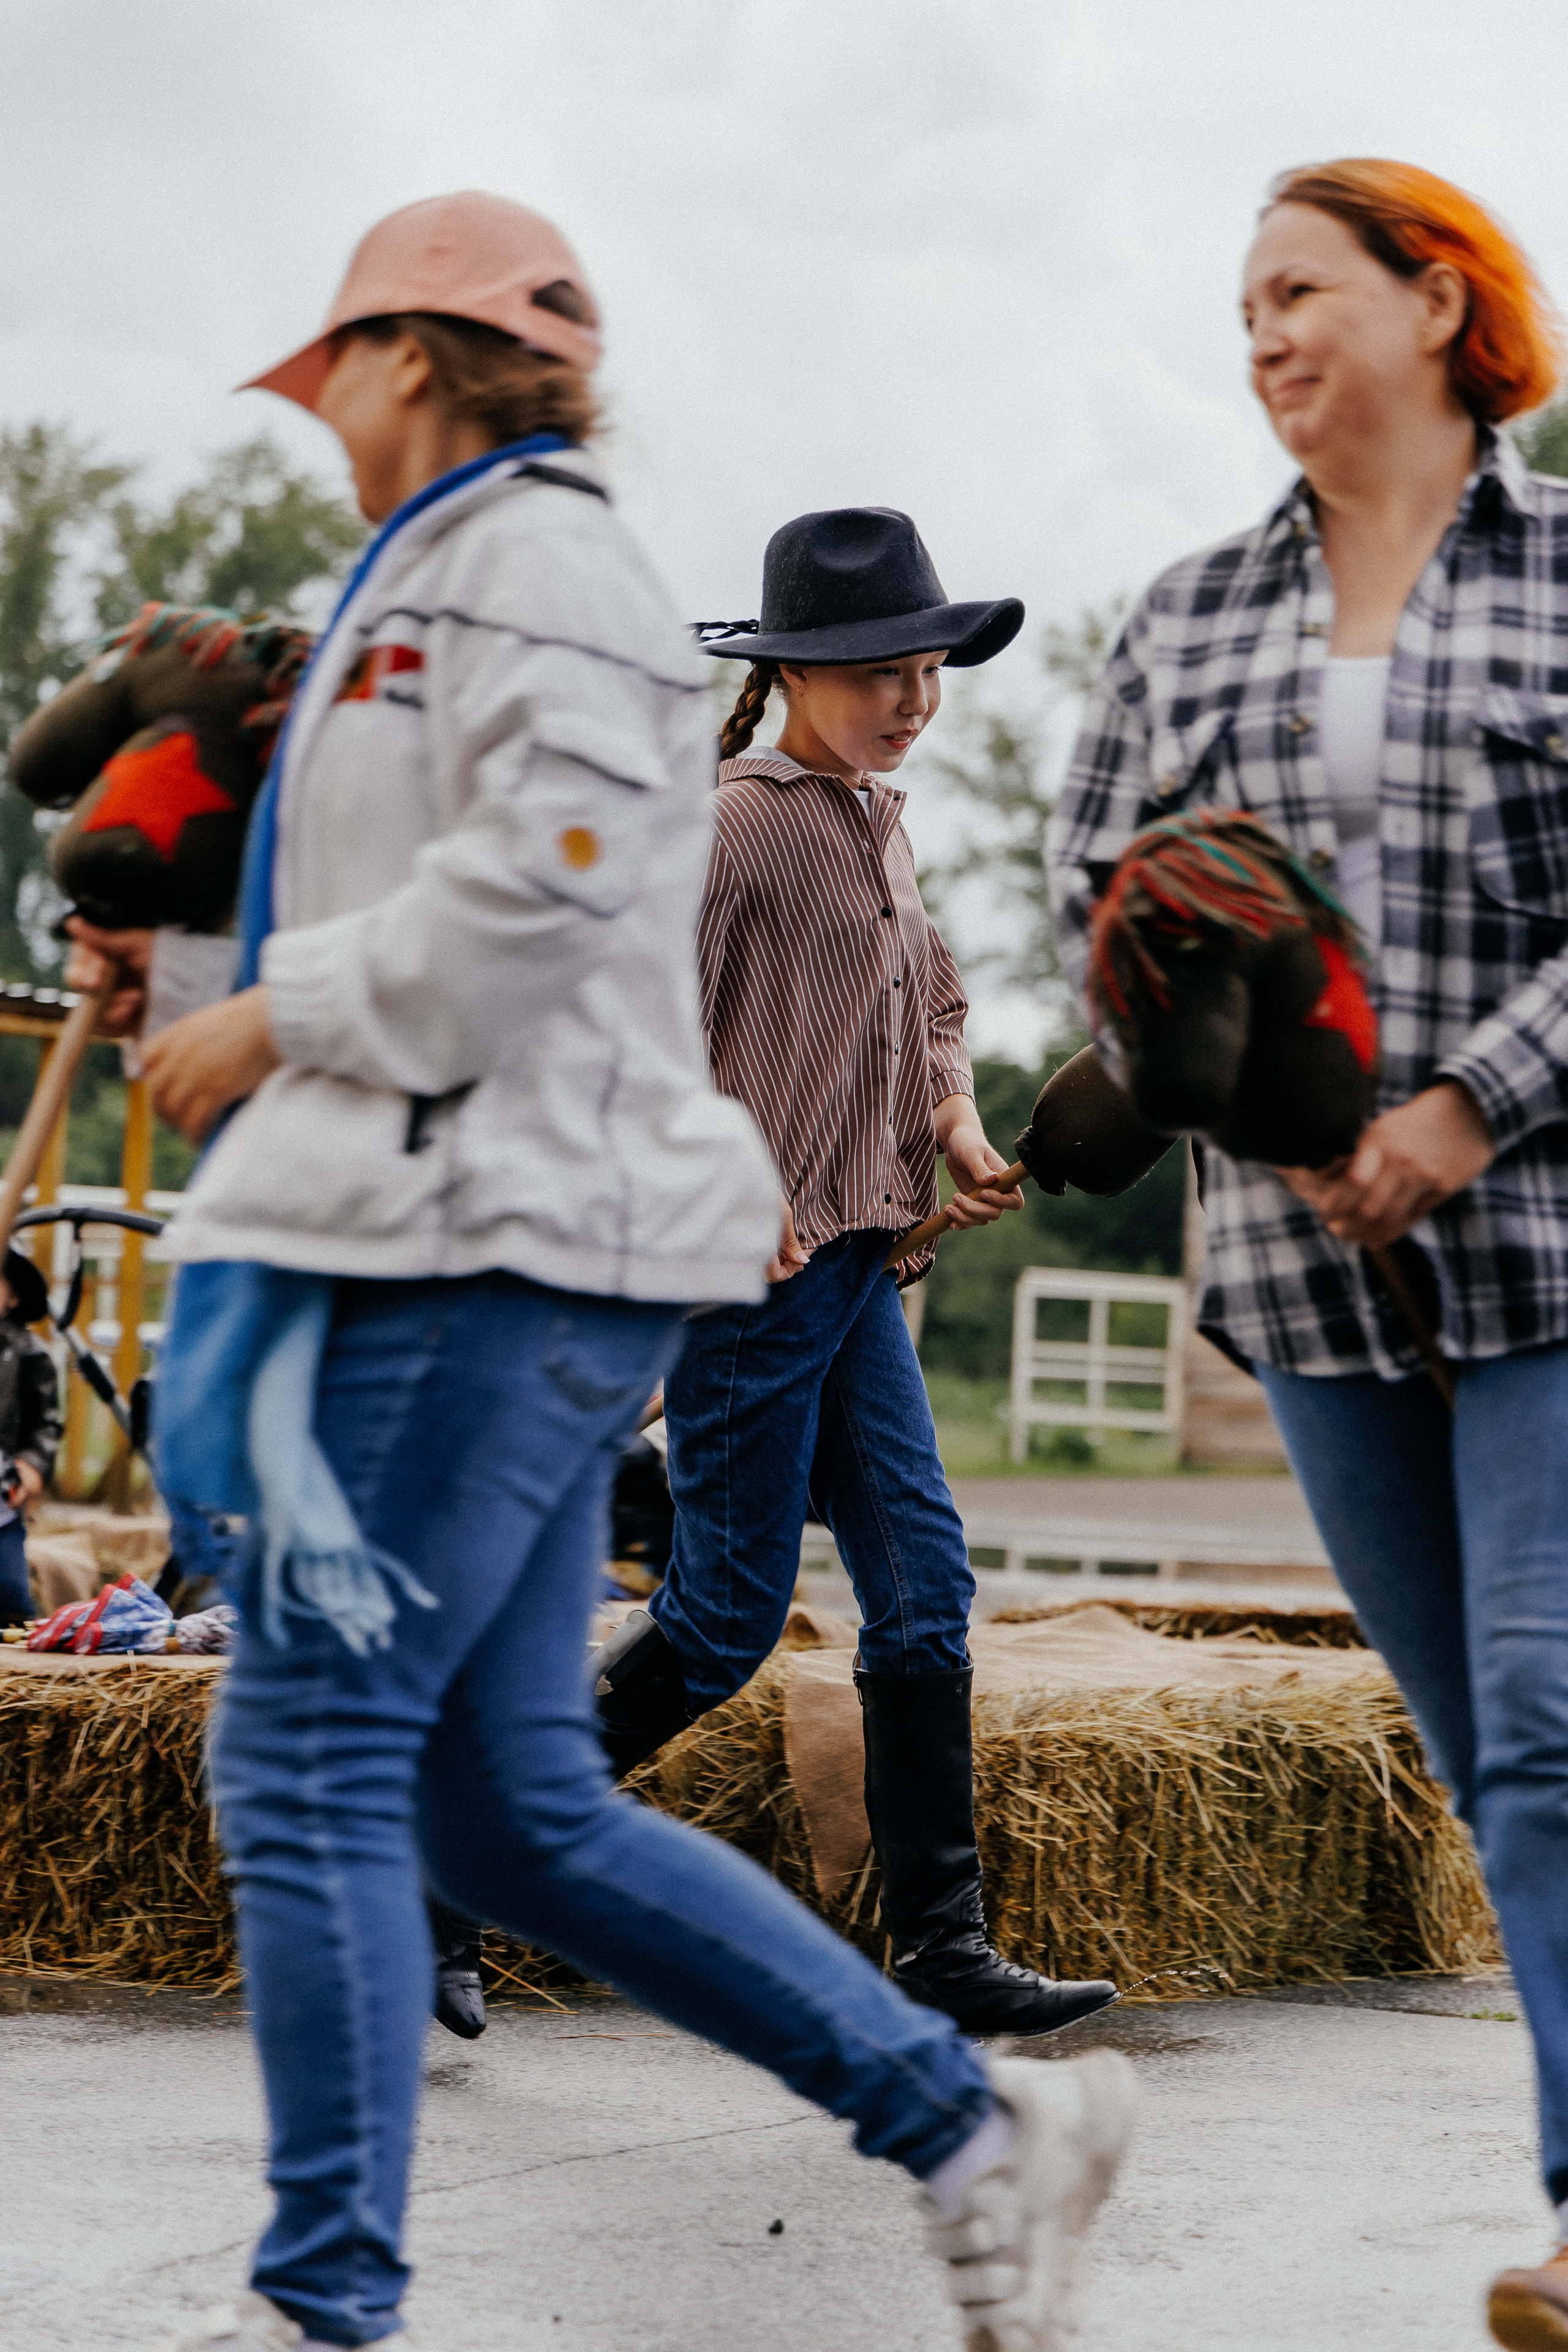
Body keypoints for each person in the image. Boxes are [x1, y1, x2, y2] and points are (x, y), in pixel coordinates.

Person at [67, 194, 1133, 2352]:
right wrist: (181, 962)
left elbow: (548, 892)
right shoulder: (437, 583)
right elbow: (448, 902)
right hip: (513, 1231)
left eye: (339, 370)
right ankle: (967, 2123)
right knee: (507, 1807)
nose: (325, 411)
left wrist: (281, 1008)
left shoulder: (536, 572)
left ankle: (323, 2301)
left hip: (488, 1251)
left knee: (305, 1762)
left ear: (410, 357)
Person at [1048, 156, 1568, 2350]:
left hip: (1546, 1235)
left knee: (1544, 1713)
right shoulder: (1183, 616)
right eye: (1240, 304)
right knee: (1484, 1746)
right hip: (1298, 1268)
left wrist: (1459, 1110)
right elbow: (1095, 897)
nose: (1260, 332)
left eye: (1298, 288)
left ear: (1436, 301)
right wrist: (1256, 1111)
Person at [592, 507, 1118, 2040]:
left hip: (857, 1261)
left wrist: (952, 1122)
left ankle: (941, 1950)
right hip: (754, 1276)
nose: (913, 697)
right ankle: (455, 1849)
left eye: (926, 668)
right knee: (720, 1617)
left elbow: (925, 998)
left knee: (923, 1592)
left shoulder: (873, 817)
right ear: (792, 675)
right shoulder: (732, 825)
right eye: (882, 671)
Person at [0, 1244, 59, 1626]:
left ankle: (13, 1629)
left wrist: (32, 1464)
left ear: (14, 1297)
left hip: (2, 1489)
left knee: (8, 1587)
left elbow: (45, 1423)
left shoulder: (27, 1353)